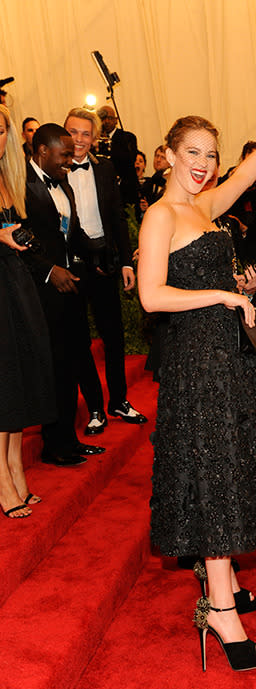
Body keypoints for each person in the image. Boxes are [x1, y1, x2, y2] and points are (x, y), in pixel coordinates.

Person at [137, 99, 256, 671]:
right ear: (168, 155)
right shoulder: (163, 215)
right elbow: (152, 296)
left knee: (232, 467)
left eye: (211, 155)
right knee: (216, 477)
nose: (204, 163)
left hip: (229, 358)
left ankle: (226, 582)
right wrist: (220, 294)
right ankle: (221, 611)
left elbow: (246, 176)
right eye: (191, 152)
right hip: (198, 364)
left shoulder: (202, 205)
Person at [24, 123, 105, 466]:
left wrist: (103, 255)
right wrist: (48, 270)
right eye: (64, 155)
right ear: (43, 151)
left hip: (70, 286)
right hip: (41, 290)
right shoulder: (20, 185)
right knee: (54, 367)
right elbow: (17, 241)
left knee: (71, 363)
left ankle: (68, 440)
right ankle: (53, 444)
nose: (69, 162)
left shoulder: (64, 183)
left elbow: (72, 235)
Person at [64, 108, 147, 434]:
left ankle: (119, 401)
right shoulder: (52, 171)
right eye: (73, 132)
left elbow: (116, 220)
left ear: (95, 138)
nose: (79, 140)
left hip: (105, 265)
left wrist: (127, 261)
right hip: (72, 267)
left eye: (85, 134)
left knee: (113, 337)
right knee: (80, 341)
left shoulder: (106, 169)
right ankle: (95, 408)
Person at [0, 105, 55, 517]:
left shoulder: (8, 179)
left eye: (1, 130)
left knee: (19, 375)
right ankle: (4, 482)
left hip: (14, 282)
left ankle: (16, 468)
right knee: (3, 379)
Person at [96, 105, 139, 211]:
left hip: (126, 190)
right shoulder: (95, 140)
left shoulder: (127, 137)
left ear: (116, 120)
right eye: (103, 118)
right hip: (106, 191)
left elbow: (129, 160)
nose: (106, 121)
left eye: (109, 118)